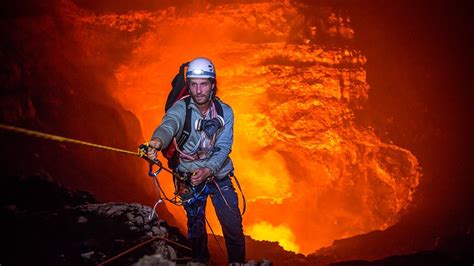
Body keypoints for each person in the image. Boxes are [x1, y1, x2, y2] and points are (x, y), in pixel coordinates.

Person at [146, 57, 246, 265]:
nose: (199, 90)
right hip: (188, 176)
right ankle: (200, 261)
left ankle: (238, 262)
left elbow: (224, 146)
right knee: (196, 225)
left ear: (213, 85)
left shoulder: (225, 112)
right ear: (189, 86)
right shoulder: (181, 109)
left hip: (218, 174)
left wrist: (209, 169)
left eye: (204, 84)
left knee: (232, 224)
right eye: (194, 84)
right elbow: (169, 125)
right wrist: (156, 141)